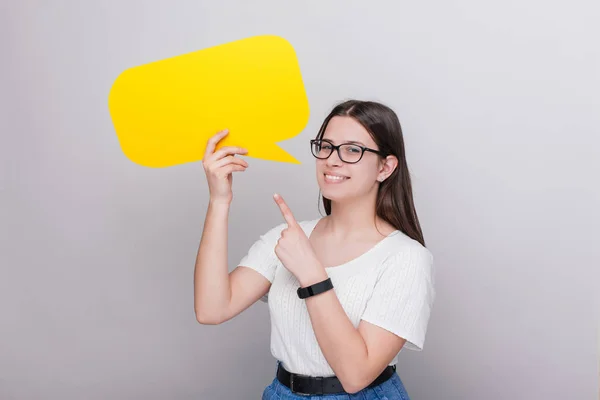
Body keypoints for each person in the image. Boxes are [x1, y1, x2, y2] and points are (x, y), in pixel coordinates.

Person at [194, 99, 435, 399]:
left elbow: (356, 375)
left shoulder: (406, 258)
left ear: (385, 167)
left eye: (352, 150)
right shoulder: (288, 238)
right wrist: (219, 201)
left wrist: (311, 273)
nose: (332, 160)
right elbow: (211, 309)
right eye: (326, 146)